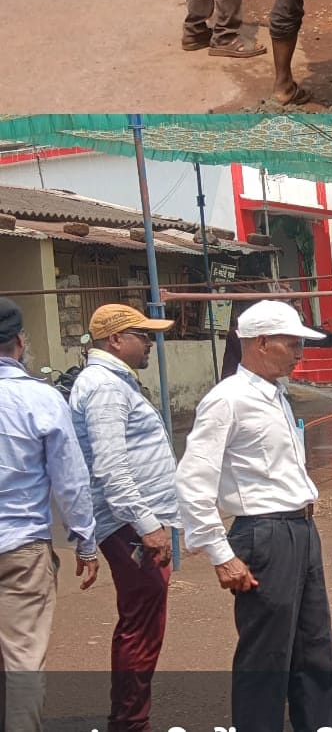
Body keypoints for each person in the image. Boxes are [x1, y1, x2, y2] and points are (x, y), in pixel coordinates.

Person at [175, 300, 332, 732]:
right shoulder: (228, 400)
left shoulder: (276, 395)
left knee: (314, 651)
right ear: (262, 343)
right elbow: (193, 479)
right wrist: (219, 552)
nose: (299, 353)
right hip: (264, 534)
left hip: (300, 529)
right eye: (292, 343)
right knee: (266, 659)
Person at [68, 305, 179, 732]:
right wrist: (146, 524)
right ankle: (131, 721)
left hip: (133, 520)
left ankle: (131, 717)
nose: (149, 342)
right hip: (128, 524)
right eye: (141, 334)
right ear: (115, 340)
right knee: (141, 623)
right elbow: (111, 467)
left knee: (144, 618)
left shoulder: (112, 383)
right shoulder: (104, 388)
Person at [0, 298, 98, 732]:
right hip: (22, 551)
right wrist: (86, 540)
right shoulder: (39, 398)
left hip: (22, 546)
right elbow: (71, 480)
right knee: (22, 663)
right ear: (20, 342)